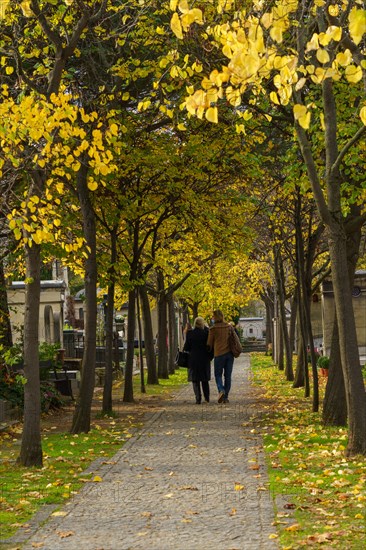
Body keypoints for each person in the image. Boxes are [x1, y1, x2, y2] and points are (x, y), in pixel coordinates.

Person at [207, 309, 235, 404]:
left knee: (218, 375)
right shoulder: (229, 327)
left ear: (215, 317)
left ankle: (221, 390)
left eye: (213, 316)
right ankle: (226, 397)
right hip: (229, 354)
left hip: (218, 354)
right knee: (228, 376)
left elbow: (209, 344)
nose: (212, 318)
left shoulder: (213, 329)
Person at [183, 317, 211, 404]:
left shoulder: (190, 334)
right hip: (204, 359)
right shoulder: (206, 333)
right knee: (204, 379)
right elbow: (210, 346)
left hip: (193, 359)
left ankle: (198, 398)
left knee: (195, 380)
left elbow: (186, 347)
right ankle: (206, 398)